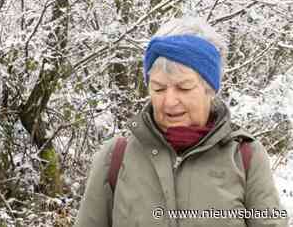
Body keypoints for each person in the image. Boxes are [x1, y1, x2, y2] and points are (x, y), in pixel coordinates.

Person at [74, 17, 288, 227]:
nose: (169, 101)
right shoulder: (116, 157)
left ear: (209, 89)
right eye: (158, 88)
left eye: (184, 88)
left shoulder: (244, 156)